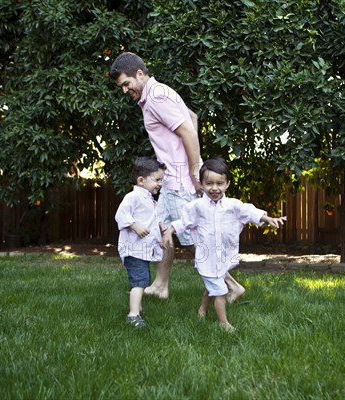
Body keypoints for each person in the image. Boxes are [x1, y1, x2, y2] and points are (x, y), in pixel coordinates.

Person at [109, 52, 245, 301]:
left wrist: (195, 173)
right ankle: (161, 285)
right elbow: (192, 118)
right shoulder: (158, 94)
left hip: (180, 183)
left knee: (195, 238)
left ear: (140, 74)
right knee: (162, 230)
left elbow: (189, 133)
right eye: (122, 87)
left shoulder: (157, 98)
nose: (125, 90)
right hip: (173, 181)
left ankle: (231, 285)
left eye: (127, 84)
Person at [161, 158, 287, 332]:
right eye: (209, 183)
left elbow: (249, 212)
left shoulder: (232, 205)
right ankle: (223, 323)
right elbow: (184, 222)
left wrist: (267, 218)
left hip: (223, 257)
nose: (215, 188)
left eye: (220, 183)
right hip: (207, 258)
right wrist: (169, 231)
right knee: (220, 291)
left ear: (227, 184)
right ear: (202, 184)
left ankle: (202, 311)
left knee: (213, 285)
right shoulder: (197, 207)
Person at [114, 157, 166, 329]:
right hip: (133, 248)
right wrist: (134, 225)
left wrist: (161, 228)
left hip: (142, 249)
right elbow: (120, 215)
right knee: (140, 280)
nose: (160, 183)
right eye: (157, 179)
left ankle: (137, 306)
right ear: (141, 180)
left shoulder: (149, 199)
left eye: (161, 180)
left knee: (142, 278)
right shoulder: (133, 197)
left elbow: (151, 219)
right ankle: (133, 315)